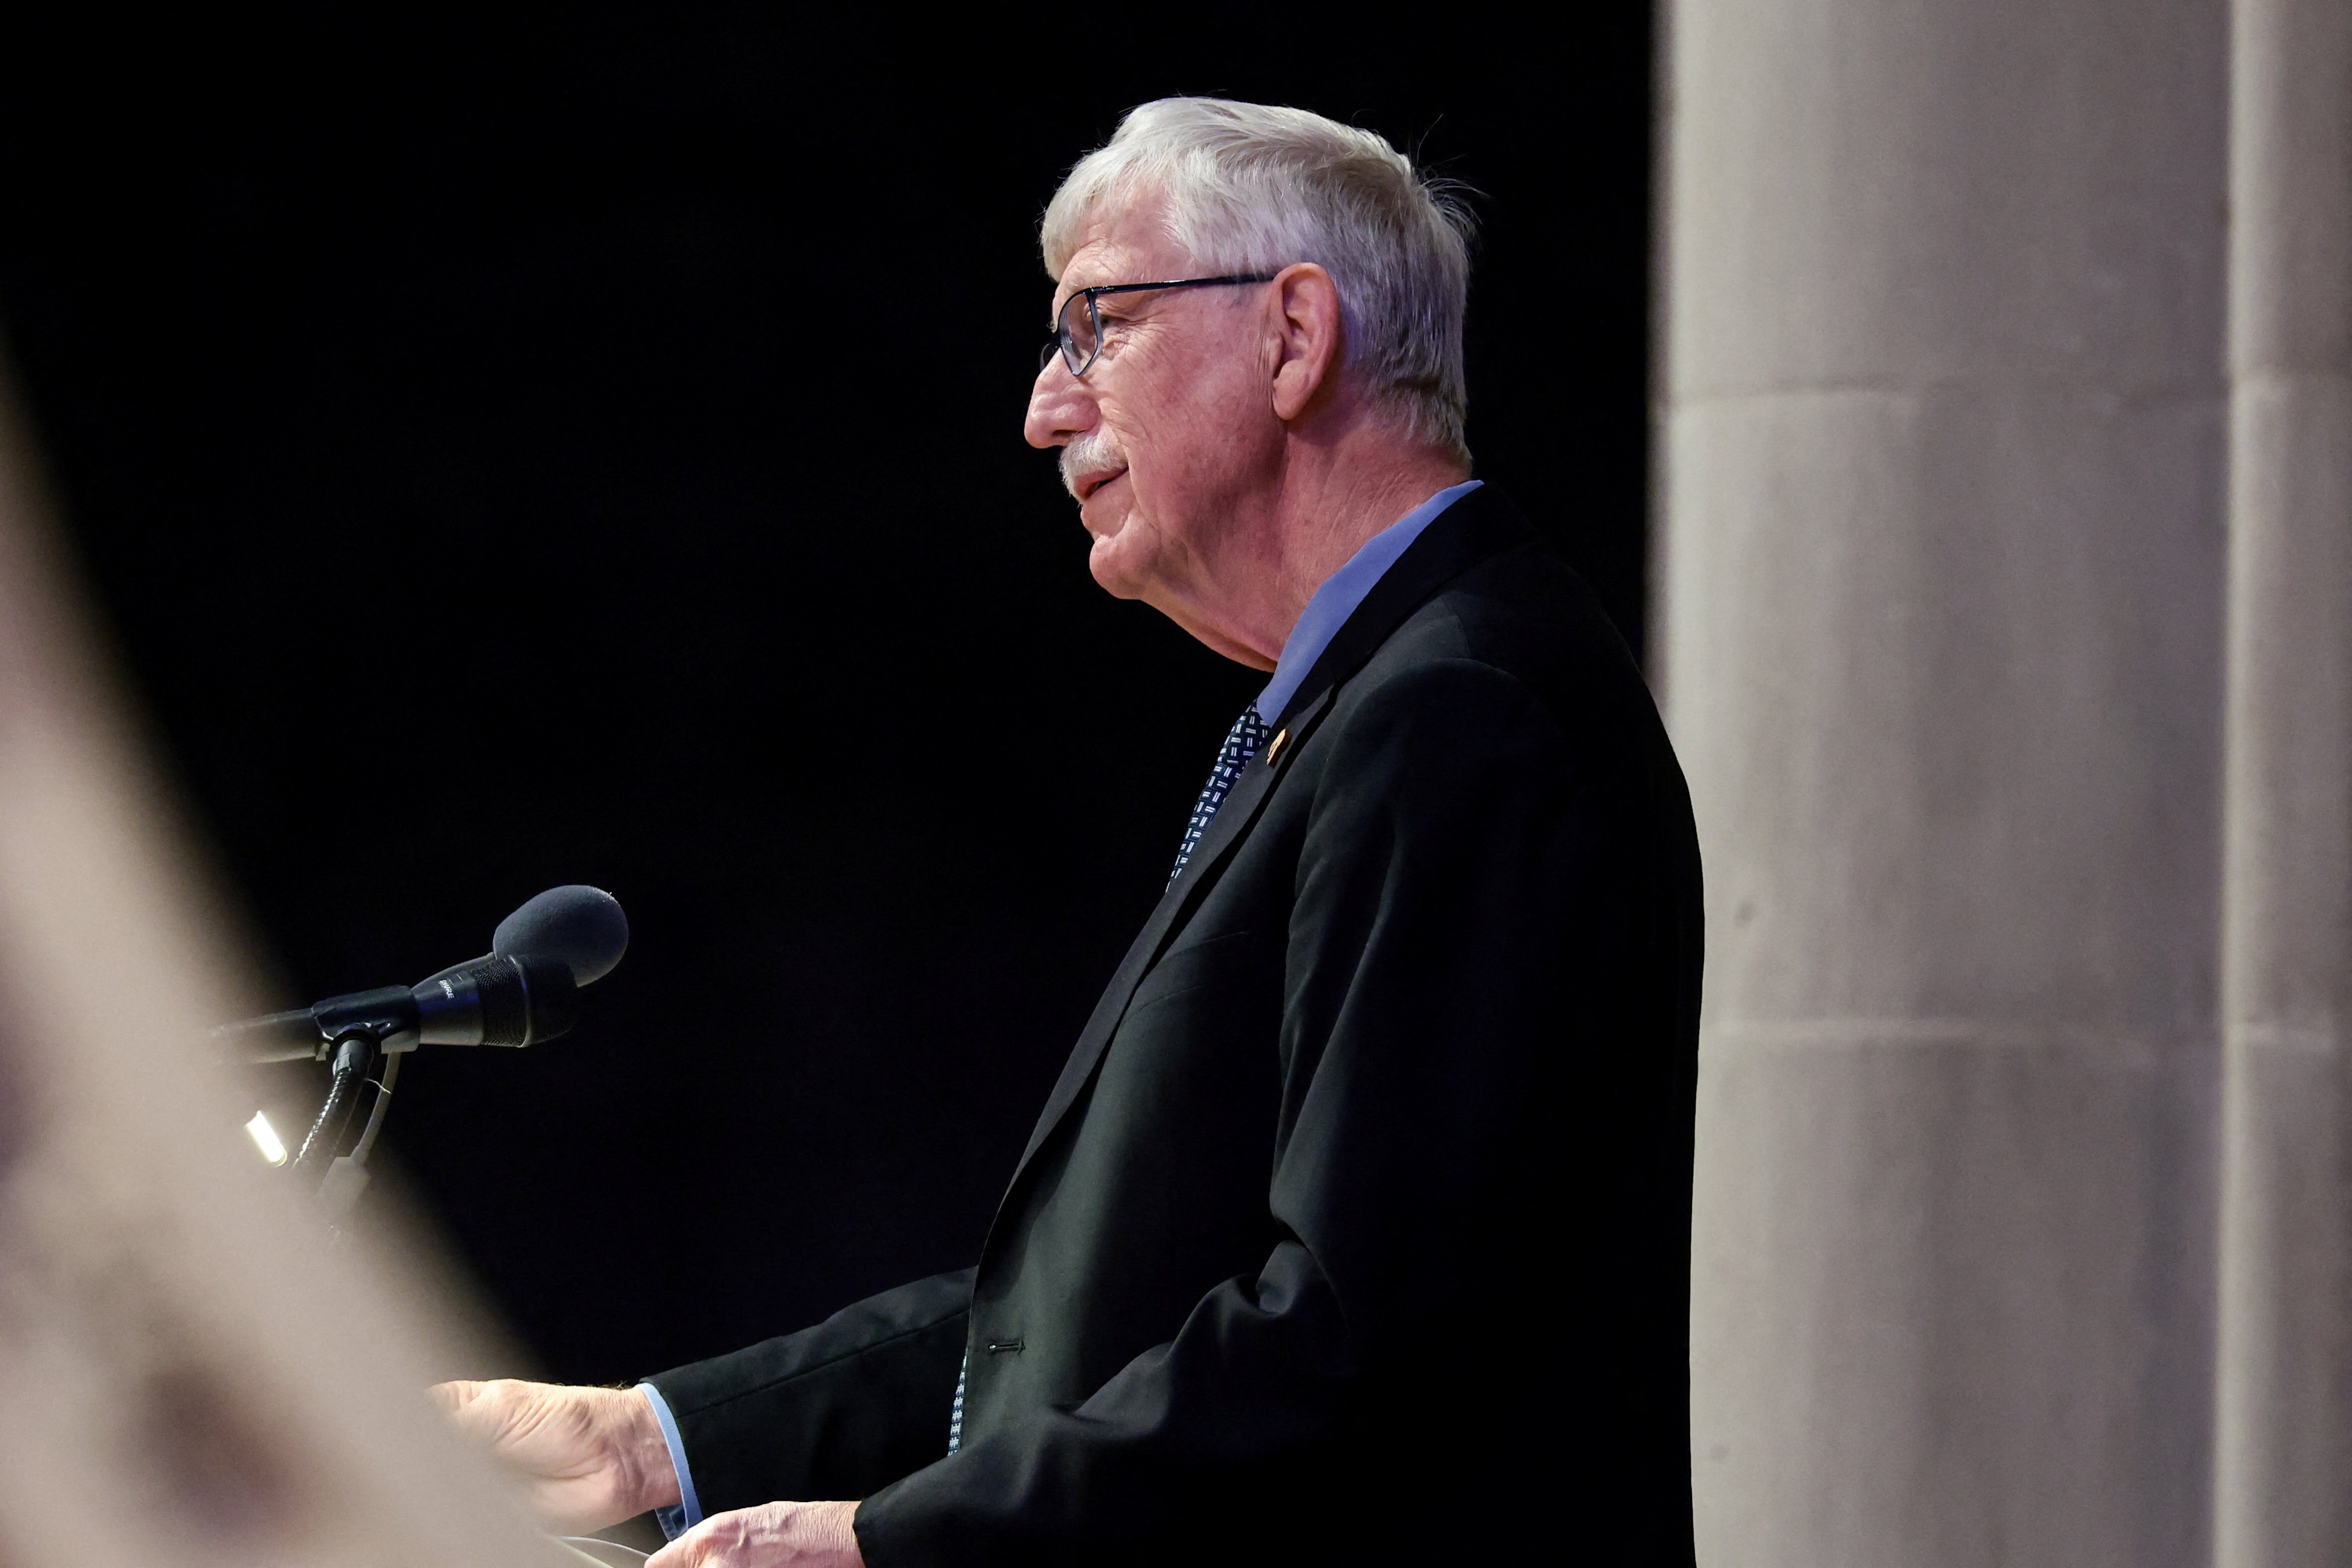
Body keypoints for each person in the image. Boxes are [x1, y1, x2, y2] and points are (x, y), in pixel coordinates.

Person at [437, 96, 1704, 1567]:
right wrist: (657, 1440)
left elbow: (1353, 1345)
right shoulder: (1368, 707)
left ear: (1295, 336)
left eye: (1096, 324)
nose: (1045, 407)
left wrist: (889, 1544)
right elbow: (1108, 1315)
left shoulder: (1464, 712)